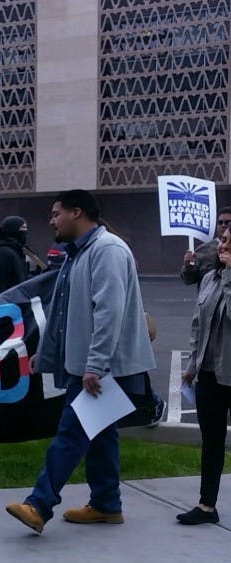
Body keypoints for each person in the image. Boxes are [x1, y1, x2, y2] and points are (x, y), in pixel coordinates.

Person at [5, 190, 155, 534]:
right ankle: (106, 504)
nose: (51, 220)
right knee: (100, 435)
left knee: (72, 433)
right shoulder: (80, 254)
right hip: (92, 367)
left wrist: (96, 365)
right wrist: (45, 356)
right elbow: (62, 313)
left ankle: (39, 505)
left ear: (77, 212)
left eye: (56, 213)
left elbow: (109, 311)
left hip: (104, 370)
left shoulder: (108, 251)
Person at [178, 225, 231, 525]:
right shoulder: (211, 277)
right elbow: (199, 324)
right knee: (211, 440)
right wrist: (191, 366)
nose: (221, 247)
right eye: (222, 241)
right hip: (209, 374)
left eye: (227, 243)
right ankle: (206, 506)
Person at [182, 206, 231, 286]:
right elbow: (189, 280)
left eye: (227, 222)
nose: (223, 225)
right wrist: (188, 267)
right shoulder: (203, 250)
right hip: (211, 296)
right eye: (220, 222)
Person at [0, 216, 29, 297]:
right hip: (8, 304)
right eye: (22, 230)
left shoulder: (17, 252)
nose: (25, 233)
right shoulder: (3, 253)